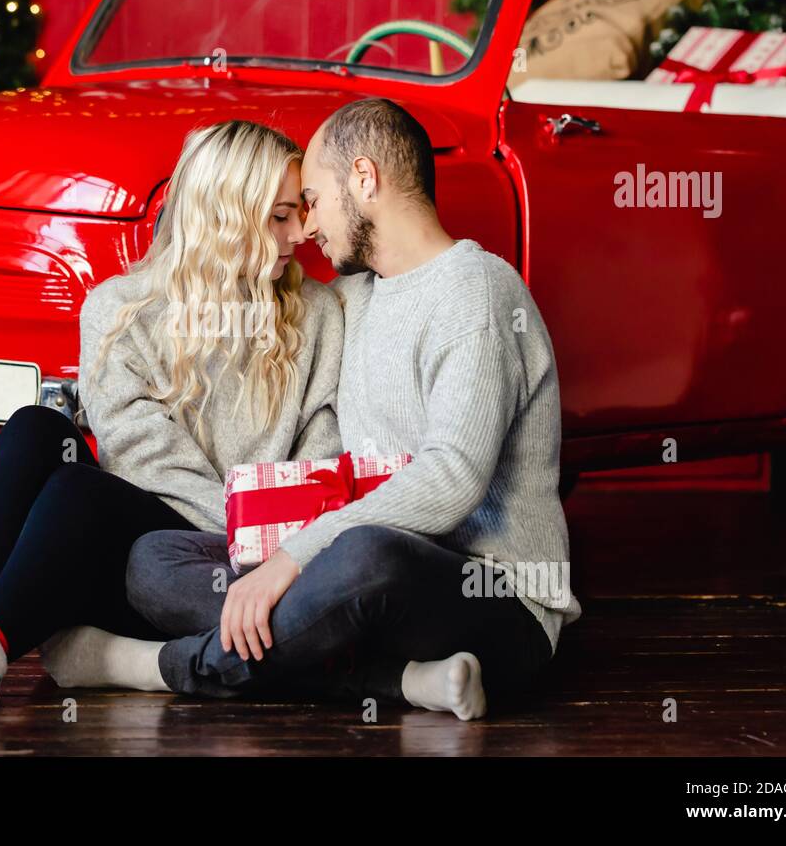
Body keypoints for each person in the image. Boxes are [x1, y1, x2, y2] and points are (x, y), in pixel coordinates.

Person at [41, 97, 582, 720]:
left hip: (491, 596)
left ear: (364, 178)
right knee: (155, 560)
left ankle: (158, 667)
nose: (306, 229)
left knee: (367, 554)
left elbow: (452, 479)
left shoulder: (478, 294)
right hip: (357, 588)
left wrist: (294, 557)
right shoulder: (354, 299)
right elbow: (244, 308)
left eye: (315, 199)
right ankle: (397, 678)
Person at [0, 119, 344, 719]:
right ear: (226, 213)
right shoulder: (119, 307)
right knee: (37, 430)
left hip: (224, 570)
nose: (301, 233)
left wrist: (252, 539)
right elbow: (144, 463)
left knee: (79, 491)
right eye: (279, 216)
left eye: (299, 212)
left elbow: (314, 473)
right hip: (122, 541)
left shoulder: (317, 317)